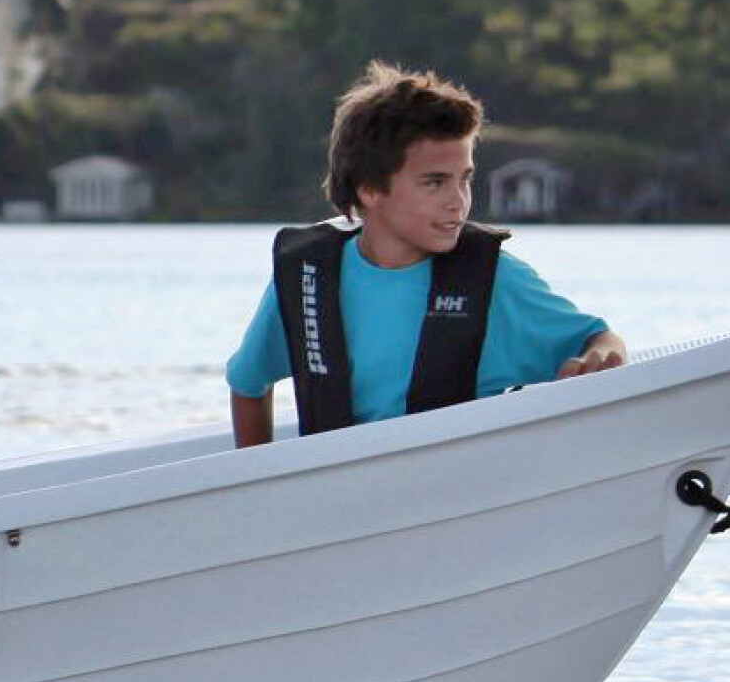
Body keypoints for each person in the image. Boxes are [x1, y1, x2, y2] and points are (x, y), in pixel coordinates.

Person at [227, 62, 627, 448]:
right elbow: (248, 385)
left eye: (465, 179)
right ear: (369, 189)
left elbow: (598, 338)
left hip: (458, 497)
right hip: (340, 504)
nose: (458, 201)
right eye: (435, 183)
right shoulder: (307, 279)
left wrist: (601, 355)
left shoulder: (494, 280)